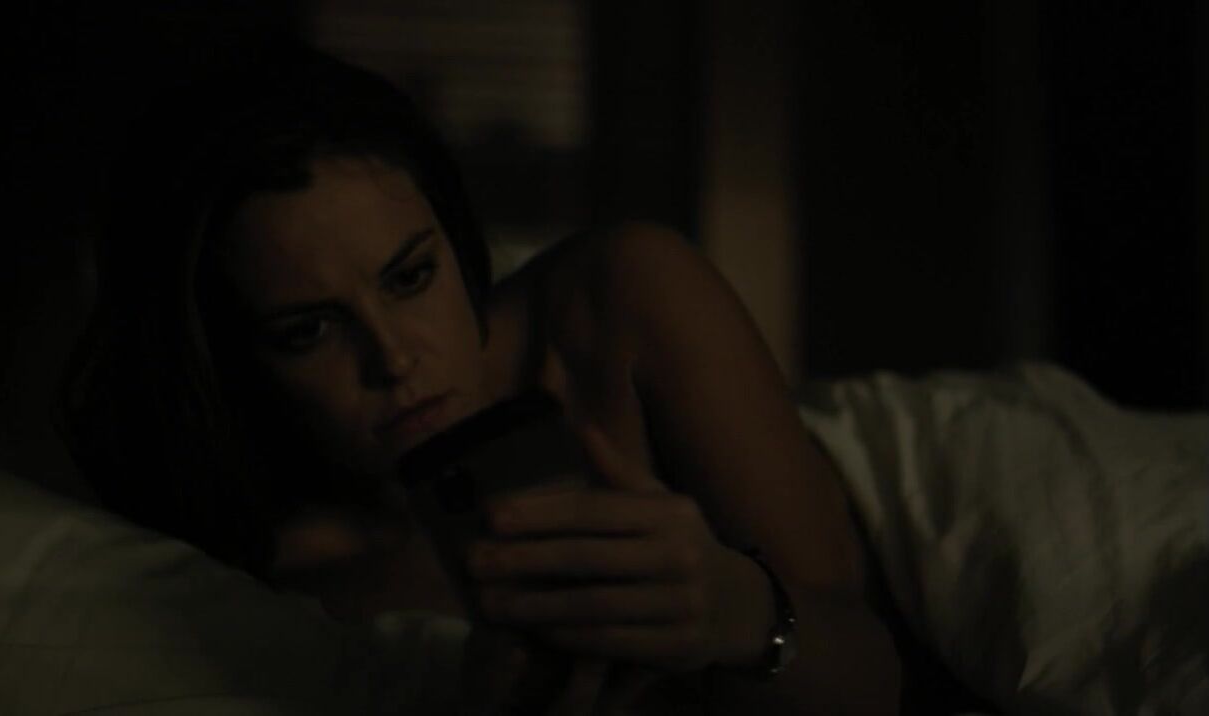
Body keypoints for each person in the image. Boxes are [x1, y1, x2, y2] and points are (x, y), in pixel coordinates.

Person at [61, 43, 901, 713]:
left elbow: (877, 678)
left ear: (457, 244)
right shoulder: (271, 585)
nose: (394, 359)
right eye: (308, 330)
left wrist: (732, 610)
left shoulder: (616, 310)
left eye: (410, 277)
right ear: (227, 362)